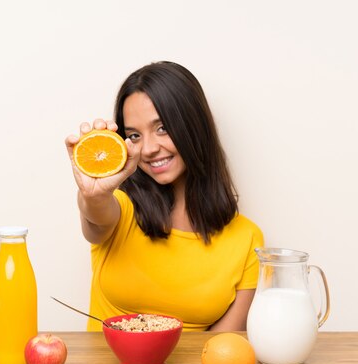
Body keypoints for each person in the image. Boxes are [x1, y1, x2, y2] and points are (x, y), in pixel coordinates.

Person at [65, 61, 264, 332]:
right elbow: (96, 217)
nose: (147, 149)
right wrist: (93, 195)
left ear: (194, 126)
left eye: (162, 128)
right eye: (134, 135)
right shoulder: (121, 211)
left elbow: (221, 351)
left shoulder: (247, 239)